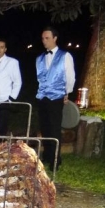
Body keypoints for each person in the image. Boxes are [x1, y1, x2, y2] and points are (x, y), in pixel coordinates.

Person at [35, 26, 75, 173]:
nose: (44, 41)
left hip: (56, 96)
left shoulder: (65, 56)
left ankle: (56, 160)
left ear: (55, 38)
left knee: (54, 128)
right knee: (44, 127)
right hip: (42, 96)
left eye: (47, 38)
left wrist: (67, 92)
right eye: (43, 38)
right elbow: (40, 78)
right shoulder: (39, 58)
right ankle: (47, 154)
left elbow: (70, 76)